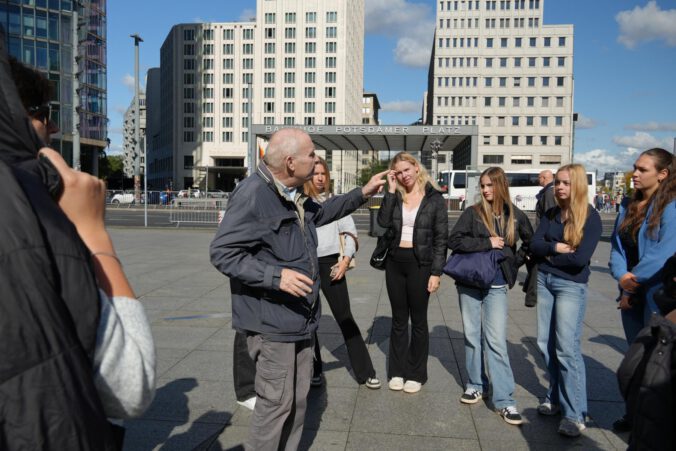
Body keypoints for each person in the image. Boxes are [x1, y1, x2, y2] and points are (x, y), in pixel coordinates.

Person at [1, 42, 154, 449]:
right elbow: (131, 386)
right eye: (43, 113)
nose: (52, 127)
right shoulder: (25, 212)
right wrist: (92, 231)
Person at [210, 128, 386, 451]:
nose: (317, 160)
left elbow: (325, 212)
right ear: (291, 162)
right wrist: (276, 277)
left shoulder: (292, 194)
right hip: (272, 324)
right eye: (311, 155)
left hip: (300, 320)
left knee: (296, 402)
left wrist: (363, 192)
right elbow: (223, 253)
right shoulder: (253, 194)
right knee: (275, 407)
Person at [447, 167, 533, 426]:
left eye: (489, 185)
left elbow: (530, 243)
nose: (485, 190)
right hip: (470, 282)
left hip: (496, 285)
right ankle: (476, 385)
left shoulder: (515, 215)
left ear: (501, 185)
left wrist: (512, 263)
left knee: (495, 341)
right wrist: (487, 243)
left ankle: (505, 400)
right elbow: (454, 241)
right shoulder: (472, 213)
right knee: (472, 336)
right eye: (482, 186)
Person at [530, 163, 602, 437]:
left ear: (578, 185)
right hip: (545, 281)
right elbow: (535, 244)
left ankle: (575, 414)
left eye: (565, 183)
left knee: (566, 349)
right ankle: (556, 396)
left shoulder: (590, 218)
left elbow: (579, 259)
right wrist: (553, 248)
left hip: (571, 285)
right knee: (545, 344)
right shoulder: (552, 213)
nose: (559, 187)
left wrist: (548, 256)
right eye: (557, 182)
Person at [608, 147, 676, 432]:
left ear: (663, 174)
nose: (634, 174)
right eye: (635, 167)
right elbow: (617, 247)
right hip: (631, 289)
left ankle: (654, 421)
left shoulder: (671, 206)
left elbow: (664, 253)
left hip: (656, 293)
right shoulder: (627, 204)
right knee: (635, 356)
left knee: (656, 360)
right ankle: (634, 412)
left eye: (642, 169)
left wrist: (630, 285)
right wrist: (621, 276)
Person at [305, 158, 381, 389]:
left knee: (345, 317)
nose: (320, 178)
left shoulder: (334, 202)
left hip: (331, 264)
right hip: (306, 265)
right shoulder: (300, 203)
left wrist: (345, 261)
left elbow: (350, 233)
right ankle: (314, 370)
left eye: (323, 174)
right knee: (308, 321)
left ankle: (366, 372)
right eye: (315, 174)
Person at [377, 151, 448, 394]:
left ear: (416, 168)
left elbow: (441, 239)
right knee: (398, 320)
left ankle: (416, 374)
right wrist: (389, 190)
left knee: (418, 320)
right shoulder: (395, 196)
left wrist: (436, 272)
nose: (403, 175)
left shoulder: (434, 198)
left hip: (421, 264)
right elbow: (382, 223)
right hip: (395, 262)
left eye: (406, 169)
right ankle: (397, 372)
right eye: (398, 172)